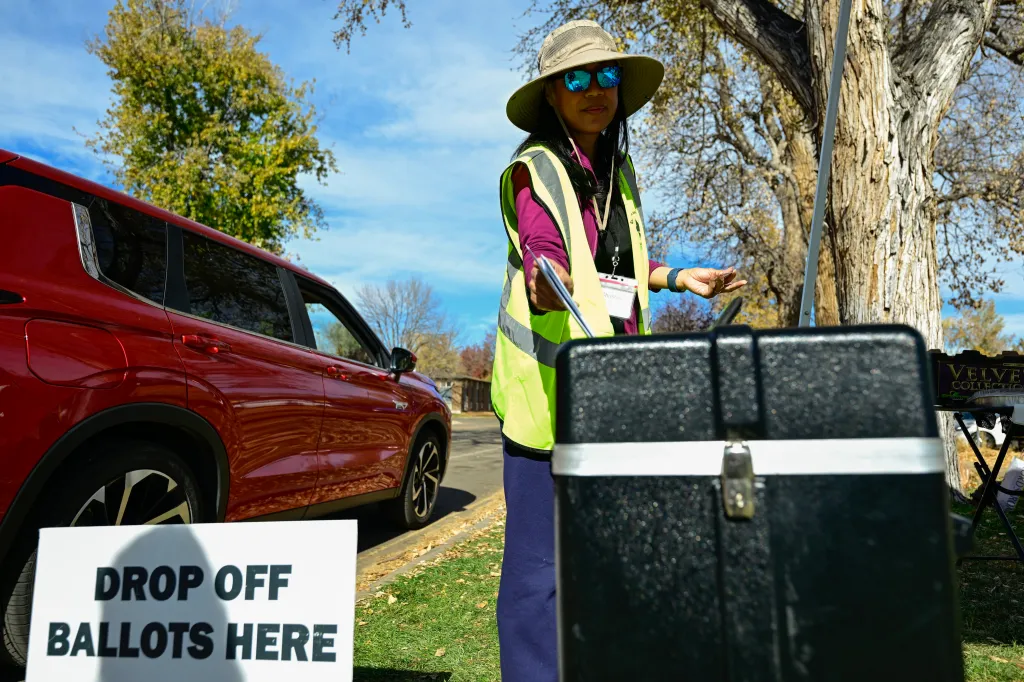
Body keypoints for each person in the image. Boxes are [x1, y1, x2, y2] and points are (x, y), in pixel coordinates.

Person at [490, 19, 748, 682]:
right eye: (576, 77)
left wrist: (677, 276)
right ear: (552, 93)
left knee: (611, 554)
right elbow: (545, 255)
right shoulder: (535, 170)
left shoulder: (617, 171)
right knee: (536, 577)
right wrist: (548, 285)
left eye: (606, 75)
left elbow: (618, 266)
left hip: (613, 399)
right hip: (542, 409)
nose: (594, 89)